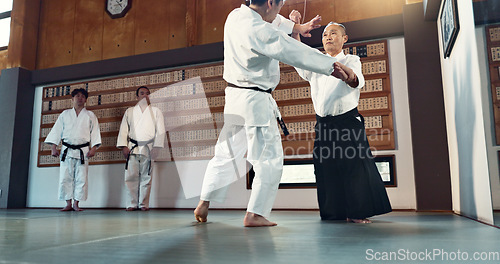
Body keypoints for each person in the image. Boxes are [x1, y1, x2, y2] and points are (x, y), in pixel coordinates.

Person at [194, 0, 345, 227]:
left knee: (225, 155)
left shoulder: (235, 16)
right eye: (279, 5)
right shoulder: (260, 31)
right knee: (268, 159)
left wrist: (298, 28)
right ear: (271, 3)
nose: (278, 10)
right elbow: (292, 50)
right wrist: (331, 66)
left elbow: (273, 20)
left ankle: (204, 201)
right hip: (255, 102)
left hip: (234, 101)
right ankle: (255, 213)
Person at [289, 13, 392, 223]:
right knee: (325, 168)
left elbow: (356, 80)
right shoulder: (316, 62)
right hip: (324, 124)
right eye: (325, 34)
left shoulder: (351, 59)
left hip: (347, 122)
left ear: (344, 38)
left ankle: (357, 212)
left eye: (333, 33)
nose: (327, 37)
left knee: (354, 167)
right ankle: (334, 213)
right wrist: (295, 27)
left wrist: (347, 75)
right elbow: (297, 53)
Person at [45, 88, 102, 211]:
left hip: (83, 150)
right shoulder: (65, 114)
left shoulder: (90, 115)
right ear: (72, 98)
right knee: (65, 177)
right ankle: (68, 203)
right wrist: (53, 147)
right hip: (67, 150)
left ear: (85, 99)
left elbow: (95, 133)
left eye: (82, 96)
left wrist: (94, 148)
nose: (80, 98)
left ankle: (76, 203)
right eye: (77, 96)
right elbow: (56, 131)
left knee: (81, 178)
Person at [117, 86, 165, 211]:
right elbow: (123, 130)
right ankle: (131, 204)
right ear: (137, 96)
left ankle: (143, 204)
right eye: (142, 93)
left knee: (146, 177)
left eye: (147, 94)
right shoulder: (130, 111)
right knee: (131, 177)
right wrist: (123, 146)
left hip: (149, 148)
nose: (145, 96)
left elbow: (160, 131)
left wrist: (157, 147)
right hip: (132, 147)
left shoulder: (156, 111)